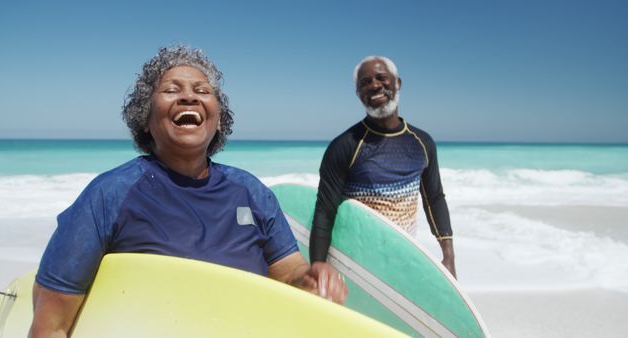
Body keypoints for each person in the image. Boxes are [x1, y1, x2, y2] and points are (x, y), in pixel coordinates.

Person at [29, 46, 347, 338]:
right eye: (171, 90)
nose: (189, 98)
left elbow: (288, 270)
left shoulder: (251, 192)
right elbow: (51, 324)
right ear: (145, 120)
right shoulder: (110, 194)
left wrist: (309, 280)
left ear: (218, 119)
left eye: (202, 91)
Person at [309, 56, 456, 278]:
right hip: (357, 262)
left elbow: (434, 198)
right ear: (359, 94)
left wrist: (448, 256)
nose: (374, 85)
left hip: (404, 256)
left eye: (381, 78)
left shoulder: (422, 143)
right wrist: (318, 264)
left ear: (398, 83)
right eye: (365, 82)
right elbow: (325, 210)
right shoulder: (345, 145)